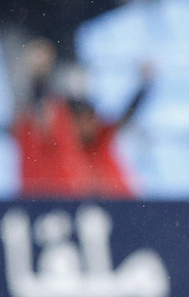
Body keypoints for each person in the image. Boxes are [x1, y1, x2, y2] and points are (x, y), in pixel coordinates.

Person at [13, 43, 149, 197]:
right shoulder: (59, 142)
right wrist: (39, 77)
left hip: (120, 206)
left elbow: (126, 116)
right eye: (80, 119)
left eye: (89, 117)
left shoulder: (101, 136)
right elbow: (42, 110)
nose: (87, 124)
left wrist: (145, 84)